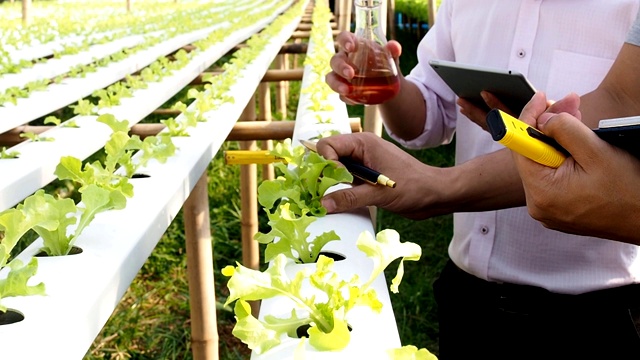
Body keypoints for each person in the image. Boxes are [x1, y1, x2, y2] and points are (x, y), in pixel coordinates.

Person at [321, 1, 640, 359]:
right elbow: (427, 114)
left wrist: (439, 186)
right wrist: (389, 84)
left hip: (594, 313)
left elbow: (621, 106)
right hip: (468, 293)